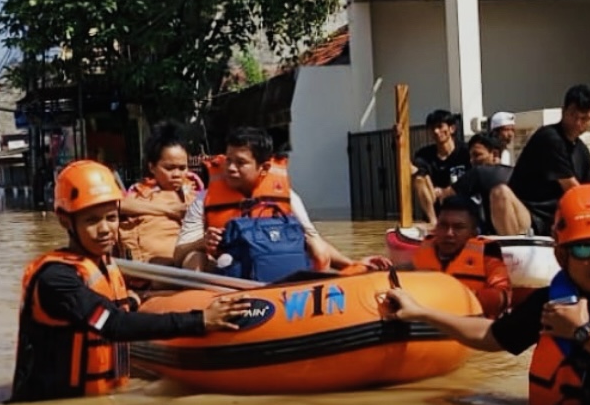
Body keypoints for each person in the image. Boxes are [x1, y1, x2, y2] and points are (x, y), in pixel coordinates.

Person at [385, 185, 590, 405]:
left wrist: (582, 332)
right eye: (583, 251)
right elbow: (489, 335)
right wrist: (421, 312)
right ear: (561, 255)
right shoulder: (548, 305)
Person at [9, 160, 248, 403]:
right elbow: (113, 324)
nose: (105, 230)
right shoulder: (56, 279)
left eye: (111, 218)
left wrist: (132, 302)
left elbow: (110, 311)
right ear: (65, 221)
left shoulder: (105, 264)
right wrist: (201, 320)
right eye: (92, 221)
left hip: (99, 403)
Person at [174, 127, 386, 280]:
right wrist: (202, 242)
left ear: (264, 168)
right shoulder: (204, 199)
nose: (230, 168)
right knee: (193, 258)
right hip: (227, 275)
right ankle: (200, 312)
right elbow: (180, 254)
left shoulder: (287, 197)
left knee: (316, 248)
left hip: (276, 270)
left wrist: (352, 264)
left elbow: (312, 239)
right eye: (228, 160)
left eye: (240, 163)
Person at [490, 85, 590, 236]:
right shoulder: (549, 138)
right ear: (563, 111)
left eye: (584, 118)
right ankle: (515, 251)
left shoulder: (582, 151)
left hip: (560, 221)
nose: (578, 122)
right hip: (528, 215)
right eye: (573, 115)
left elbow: (589, 193)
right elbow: (573, 190)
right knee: (500, 193)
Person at [405, 195, 511, 318]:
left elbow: (503, 296)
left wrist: (456, 298)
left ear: (473, 232)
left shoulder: (486, 253)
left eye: (458, 227)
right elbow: (405, 277)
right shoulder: (425, 248)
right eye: (443, 225)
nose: (449, 233)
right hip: (425, 328)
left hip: (471, 329)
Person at [119, 121, 204, 267]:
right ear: (152, 167)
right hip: (155, 272)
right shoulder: (138, 193)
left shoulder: (196, 192)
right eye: (169, 168)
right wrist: (169, 210)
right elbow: (116, 204)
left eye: (182, 168)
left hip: (191, 264)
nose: (177, 174)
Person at [435, 133, 512, 235]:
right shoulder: (514, 173)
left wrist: (437, 192)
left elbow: (446, 197)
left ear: (495, 154)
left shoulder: (478, 173)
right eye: (470, 157)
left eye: (477, 155)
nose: (472, 161)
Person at [412, 109, 471, 228]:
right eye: (432, 128)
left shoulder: (466, 152)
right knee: (418, 179)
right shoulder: (424, 154)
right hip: (436, 205)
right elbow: (420, 173)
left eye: (440, 126)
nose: (436, 131)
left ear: (452, 129)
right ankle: (433, 222)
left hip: (464, 206)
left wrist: (447, 191)